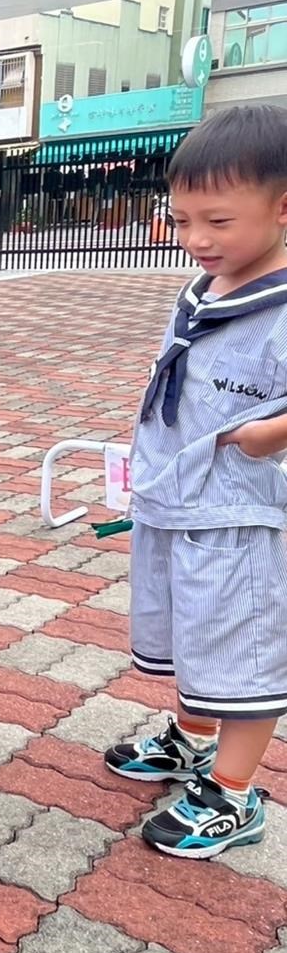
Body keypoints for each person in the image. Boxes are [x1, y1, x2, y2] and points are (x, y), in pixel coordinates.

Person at [105, 104, 287, 859]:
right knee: (194, 635)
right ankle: (192, 737)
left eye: (218, 221)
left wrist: (274, 431)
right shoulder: (206, 286)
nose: (196, 239)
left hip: (238, 517)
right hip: (177, 503)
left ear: (283, 209)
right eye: (182, 220)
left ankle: (234, 795)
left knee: (242, 655)